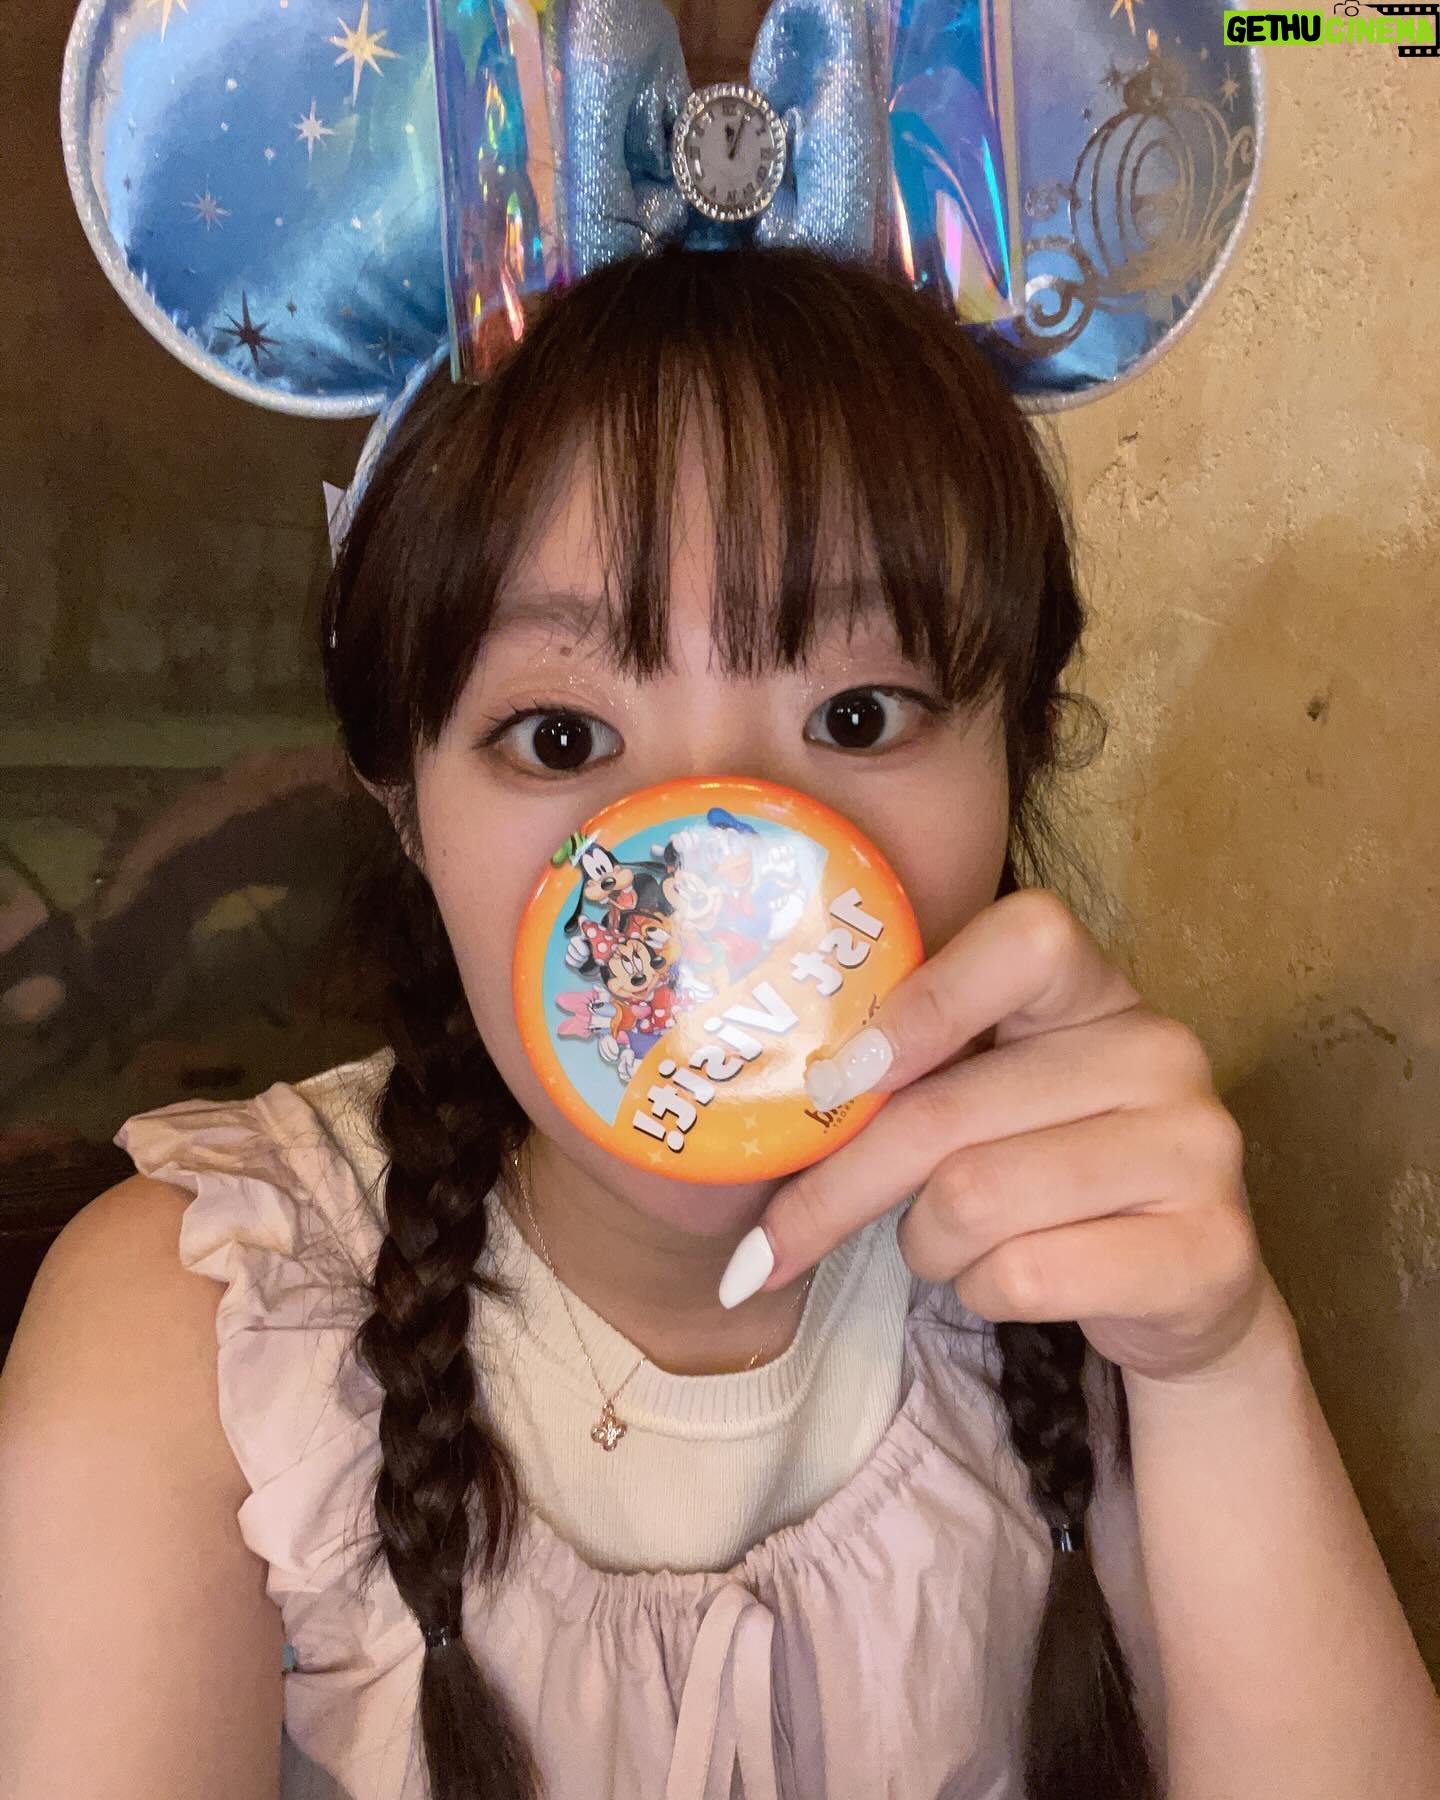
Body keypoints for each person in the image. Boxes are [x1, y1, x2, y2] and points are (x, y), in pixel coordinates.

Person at [2, 247, 1437, 1800]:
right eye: (562, 735)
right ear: (406, 806)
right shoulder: (193, 1334)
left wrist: (1220, 1367)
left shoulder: (1085, 1256)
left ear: (1013, 756)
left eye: (857, 715)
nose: (716, 888)